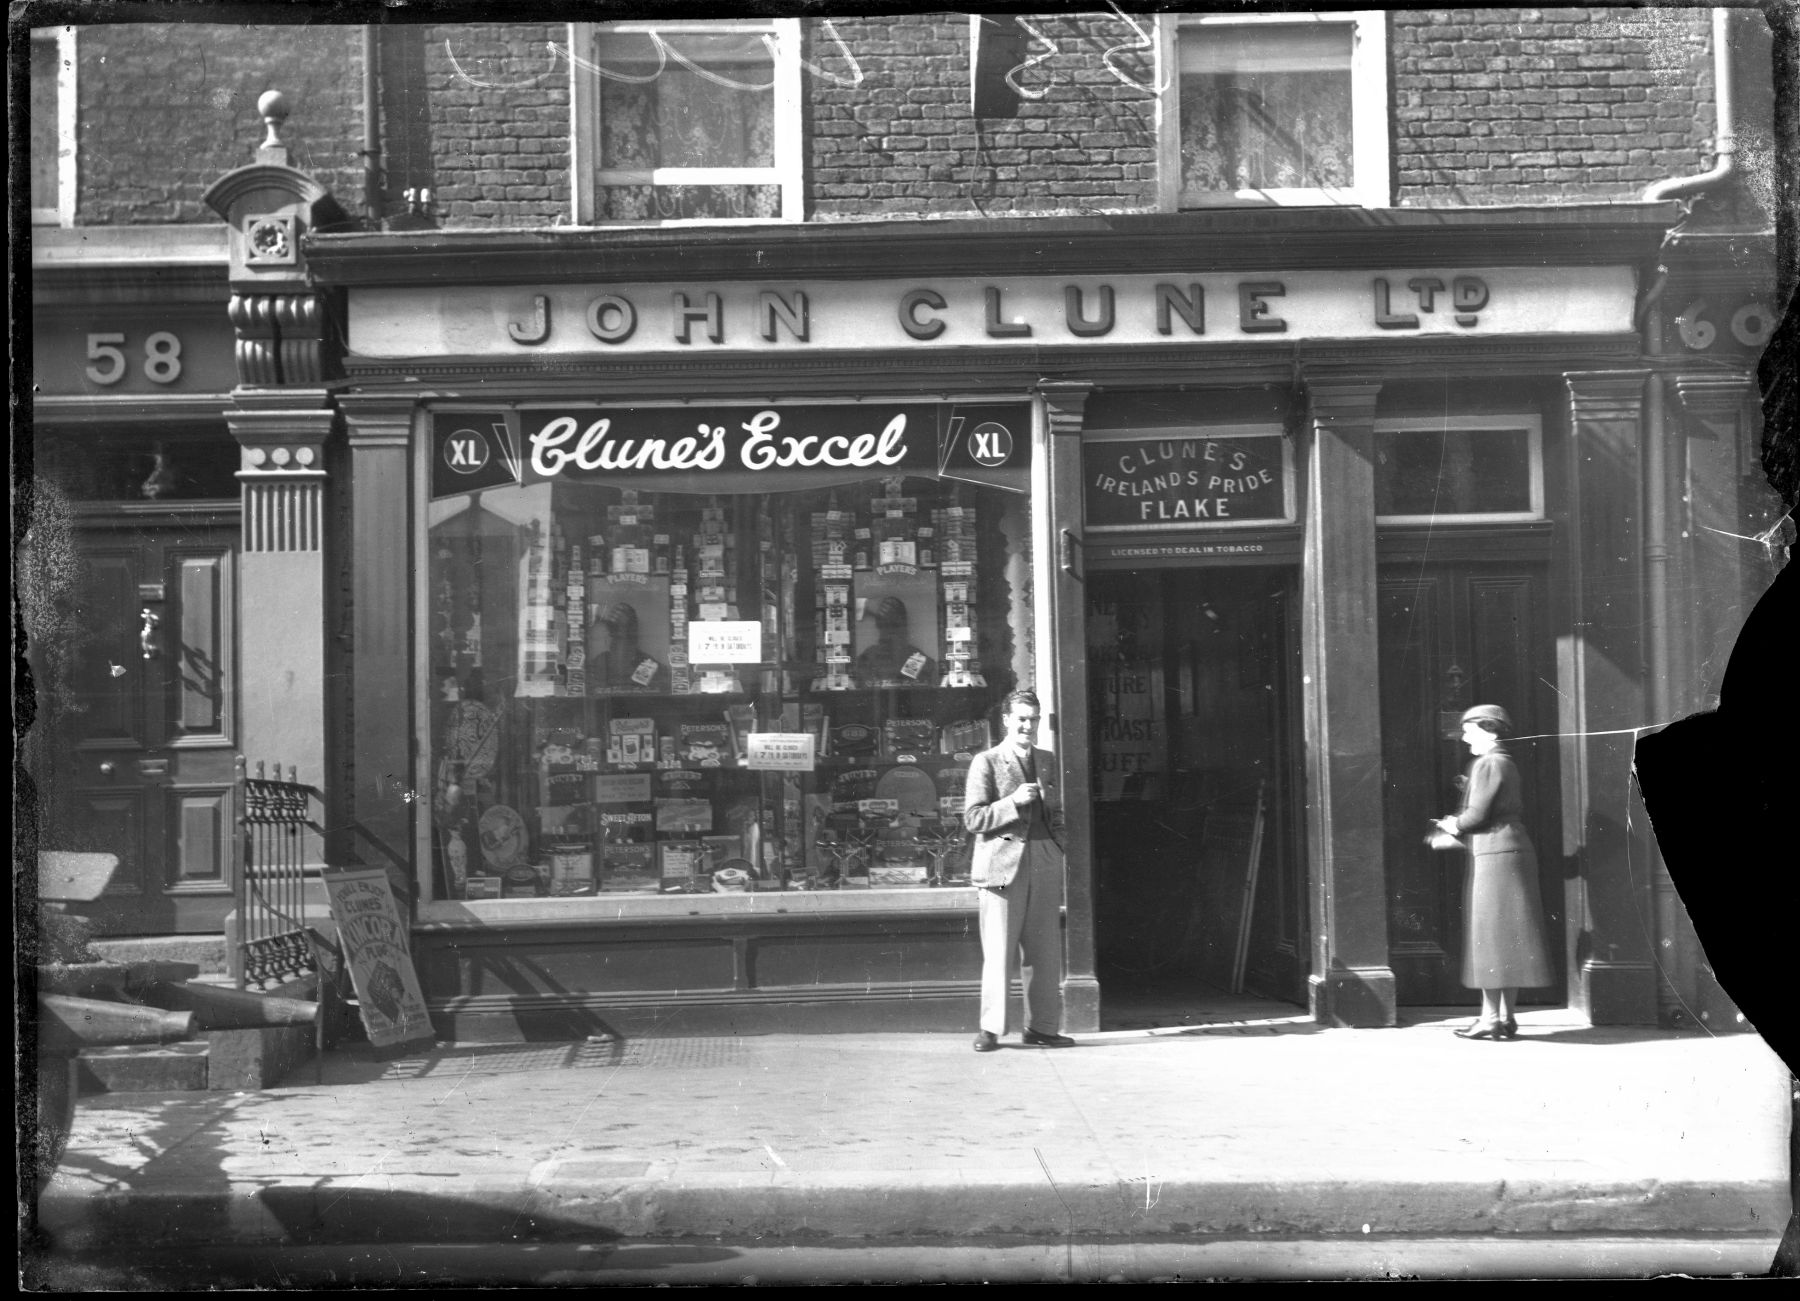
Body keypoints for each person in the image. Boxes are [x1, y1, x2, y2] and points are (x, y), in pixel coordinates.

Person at [1434, 703, 1553, 1040]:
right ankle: (1506, 1018)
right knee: (1508, 938)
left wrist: (1451, 824)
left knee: (1489, 938)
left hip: (1494, 854)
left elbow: (1476, 815)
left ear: (1488, 730)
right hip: (1510, 850)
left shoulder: (1487, 763)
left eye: (1468, 730)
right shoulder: (1505, 762)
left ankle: (1489, 1019)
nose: (1464, 737)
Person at [964, 690, 1073, 1051]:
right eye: (1022, 719)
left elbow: (1057, 812)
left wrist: (1057, 846)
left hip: (1043, 859)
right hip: (1001, 865)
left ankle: (1042, 1027)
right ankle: (991, 1029)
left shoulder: (1047, 760)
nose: (1028, 726)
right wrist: (1013, 801)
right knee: (999, 951)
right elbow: (974, 818)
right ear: (1007, 721)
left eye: (1034, 719)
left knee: (1044, 952)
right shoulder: (986, 761)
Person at [854, 596, 935, 687]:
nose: (889, 632)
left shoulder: (916, 657)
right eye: (885, 626)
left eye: (893, 626)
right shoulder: (869, 656)